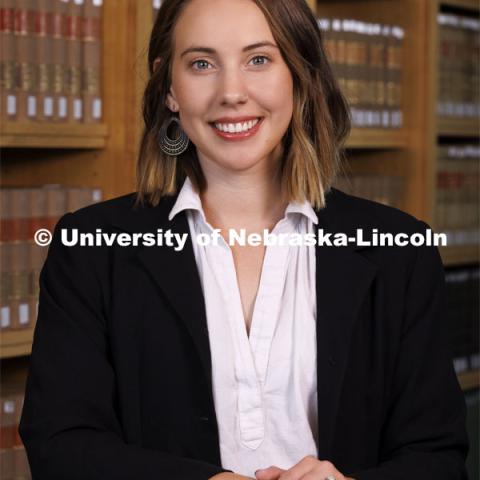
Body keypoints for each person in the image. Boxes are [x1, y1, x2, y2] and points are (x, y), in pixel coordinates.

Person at [19, 0, 468, 479]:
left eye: (259, 59)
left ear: (300, 72)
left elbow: (436, 457)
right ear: (169, 87)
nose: (231, 92)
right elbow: (61, 446)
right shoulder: (90, 247)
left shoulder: (400, 248)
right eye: (201, 63)